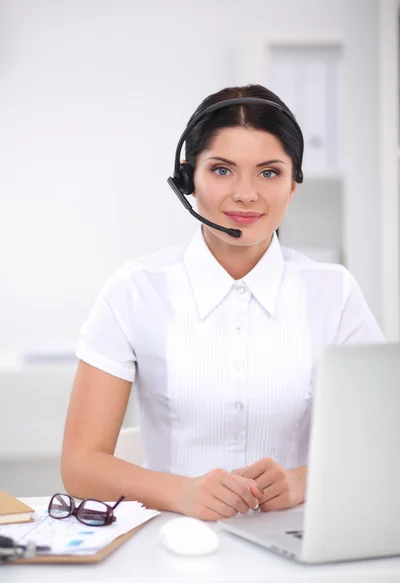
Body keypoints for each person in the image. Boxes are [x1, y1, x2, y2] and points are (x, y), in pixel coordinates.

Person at [61, 84, 385, 521]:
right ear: (187, 179)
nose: (246, 193)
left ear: (293, 186)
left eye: (269, 172)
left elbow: (380, 445)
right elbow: (81, 465)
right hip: (171, 542)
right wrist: (182, 493)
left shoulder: (334, 293)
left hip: (299, 543)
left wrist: (300, 481)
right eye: (222, 170)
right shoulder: (135, 290)